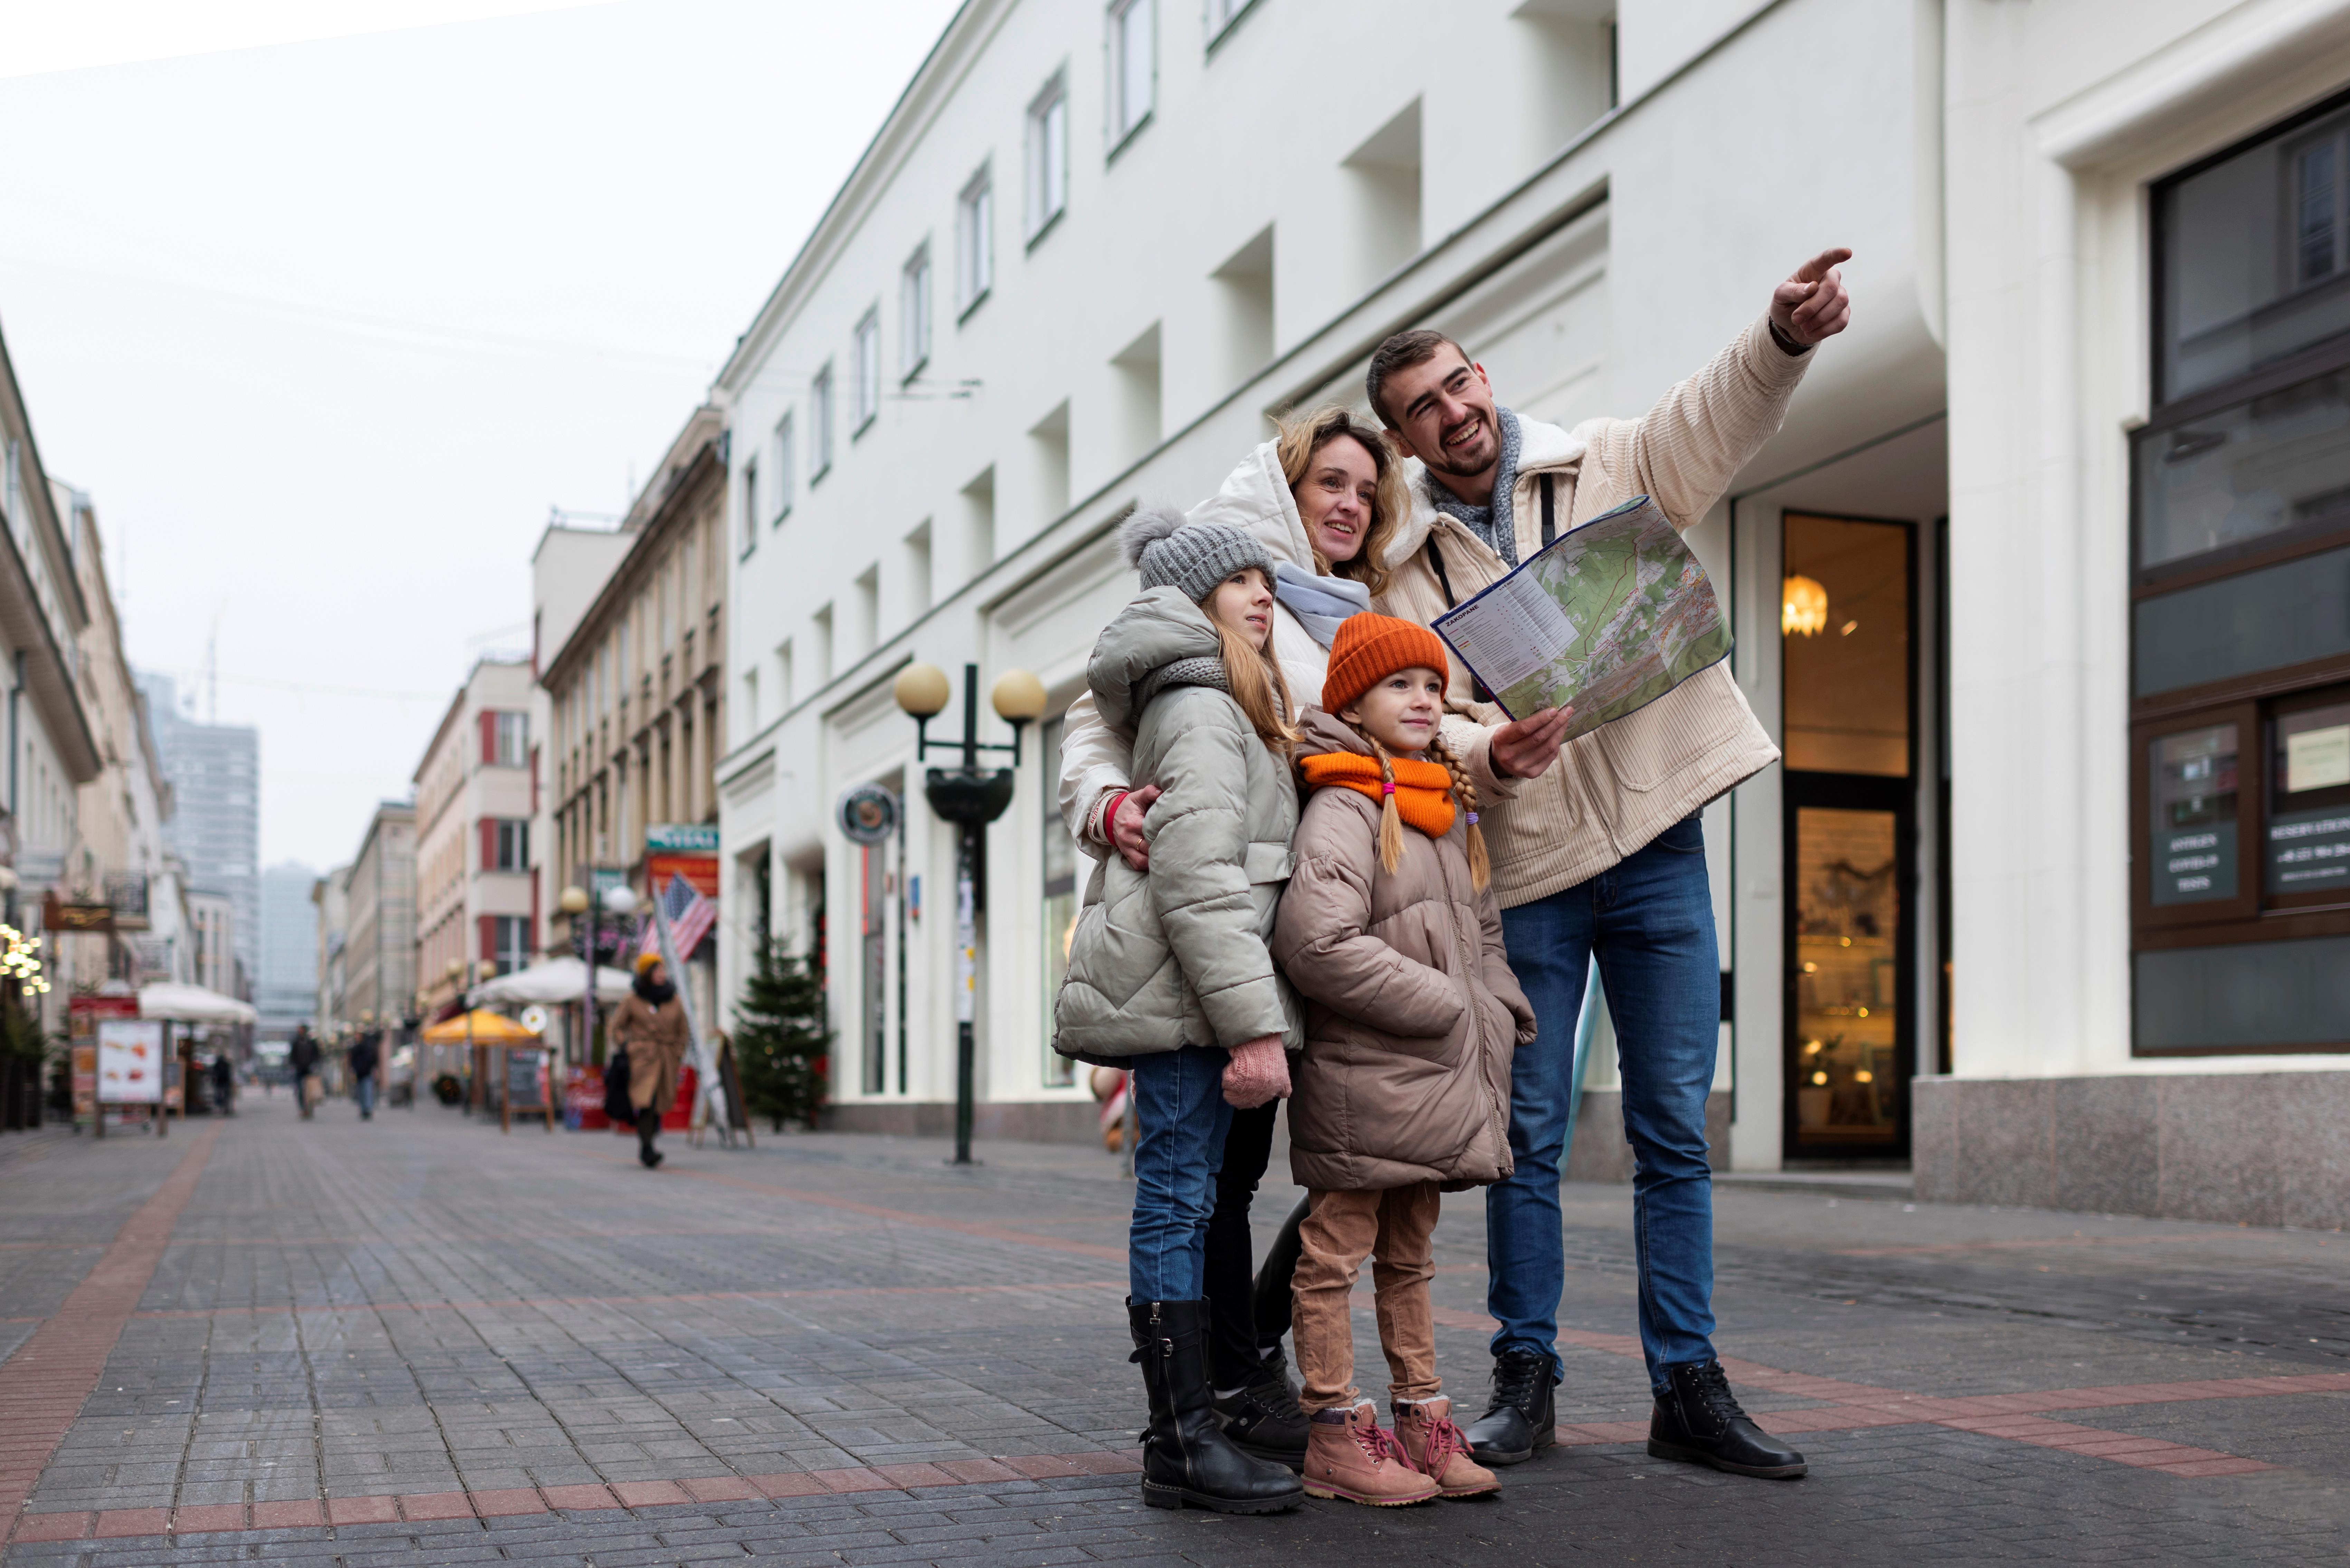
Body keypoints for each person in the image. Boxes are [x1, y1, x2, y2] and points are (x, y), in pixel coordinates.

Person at [1357, 249, 1855, 1480]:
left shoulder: (1603, 461)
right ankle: (1523, 1379)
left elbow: (1711, 414)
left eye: (1459, 384)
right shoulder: (1403, 572)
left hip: (1656, 843)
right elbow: (1415, 716)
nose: (1453, 411)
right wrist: (1484, 748)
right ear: (1404, 439)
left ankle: (1686, 1385)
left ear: (1484, 378)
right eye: (1423, 407)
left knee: (1670, 1126)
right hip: (1527, 869)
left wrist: (1781, 338)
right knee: (1525, 1134)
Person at [1054, 408, 1409, 1464]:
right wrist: (1105, 805)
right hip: (1228, 969)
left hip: (1299, 947)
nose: (1349, 503)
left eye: (1366, 489)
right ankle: (1207, 1401)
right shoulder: (1207, 657)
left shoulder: (1359, 607)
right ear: (1288, 491)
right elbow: (1124, 763)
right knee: (1199, 1188)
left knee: (1294, 1169)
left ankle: (1227, 1376)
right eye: (1329, 482)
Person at [1052, 505, 1307, 1516]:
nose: (1261, 595)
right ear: (1192, 598)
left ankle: (1190, 1428)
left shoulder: (1218, 696)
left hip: (1188, 995)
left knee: (1184, 1200)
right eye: (1239, 580)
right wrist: (1252, 1028)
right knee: (1175, 1202)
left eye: (1265, 580)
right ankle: (1181, 1439)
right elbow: (1199, 878)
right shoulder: (1200, 701)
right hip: (1187, 1002)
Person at [1274, 615, 1534, 1505]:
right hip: (1366, 1076)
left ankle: (1422, 1415)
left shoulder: (1443, 806)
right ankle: (1332, 1428)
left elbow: (1484, 934)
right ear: (1352, 703)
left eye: (1431, 685)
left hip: (1430, 1078)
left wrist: (1496, 1004)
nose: (1423, 699)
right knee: (1333, 1251)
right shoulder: (1343, 803)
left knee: (1410, 1255)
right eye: (1399, 685)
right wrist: (1445, 1004)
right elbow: (1315, 941)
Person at [610, 951, 688, 1169]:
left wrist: (677, 1052)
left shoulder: (674, 999)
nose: (662, 974)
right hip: (643, 1059)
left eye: (663, 970)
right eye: (657, 971)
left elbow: (683, 1030)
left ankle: (649, 1142)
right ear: (647, 974)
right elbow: (616, 1027)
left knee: (660, 1103)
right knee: (646, 1101)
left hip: (666, 1058)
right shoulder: (633, 999)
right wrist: (627, 1046)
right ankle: (647, 1148)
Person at [288, 1024, 322, 1120]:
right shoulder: (296, 1042)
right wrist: (294, 1065)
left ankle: (310, 1108)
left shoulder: (311, 1042)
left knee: (310, 1091)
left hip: (309, 1070)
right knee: (300, 1090)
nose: (300, 1031)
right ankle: (303, 1109)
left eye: (302, 1030)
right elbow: (292, 1056)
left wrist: (314, 1064)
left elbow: (317, 1055)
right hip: (299, 1069)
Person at [348, 1030, 380, 1120]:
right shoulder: (356, 1047)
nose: (357, 1038)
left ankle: (367, 1109)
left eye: (358, 1036)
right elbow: (352, 1061)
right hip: (360, 1074)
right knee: (362, 1093)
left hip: (366, 1073)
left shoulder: (367, 1047)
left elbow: (373, 1059)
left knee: (367, 1091)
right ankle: (364, 1110)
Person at [209, 1051, 235, 1117]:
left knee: (218, 1095)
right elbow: (229, 1074)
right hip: (226, 1081)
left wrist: (213, 1081)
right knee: (227, 1095)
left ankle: (220, 1107)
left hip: (219, 1082)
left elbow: (213, 1073)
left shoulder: (217, 1064)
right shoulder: (226, 1064)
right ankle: (226, 1108)